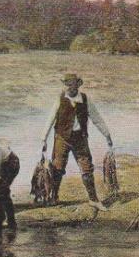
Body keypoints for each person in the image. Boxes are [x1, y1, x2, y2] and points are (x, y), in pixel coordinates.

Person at [40, 73, 113, 211]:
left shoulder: (85, 99)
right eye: (66, 84)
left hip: (80, 138)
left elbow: (97, 118)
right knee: (57, 167)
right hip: (62, 138)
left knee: (86, 168)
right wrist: (44, 139)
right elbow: (50, 119)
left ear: (77, 85)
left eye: (71, 84)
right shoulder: (60, 99)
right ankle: (54, 197)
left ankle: (93, 199)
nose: (69, 87)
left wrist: (107, 135)